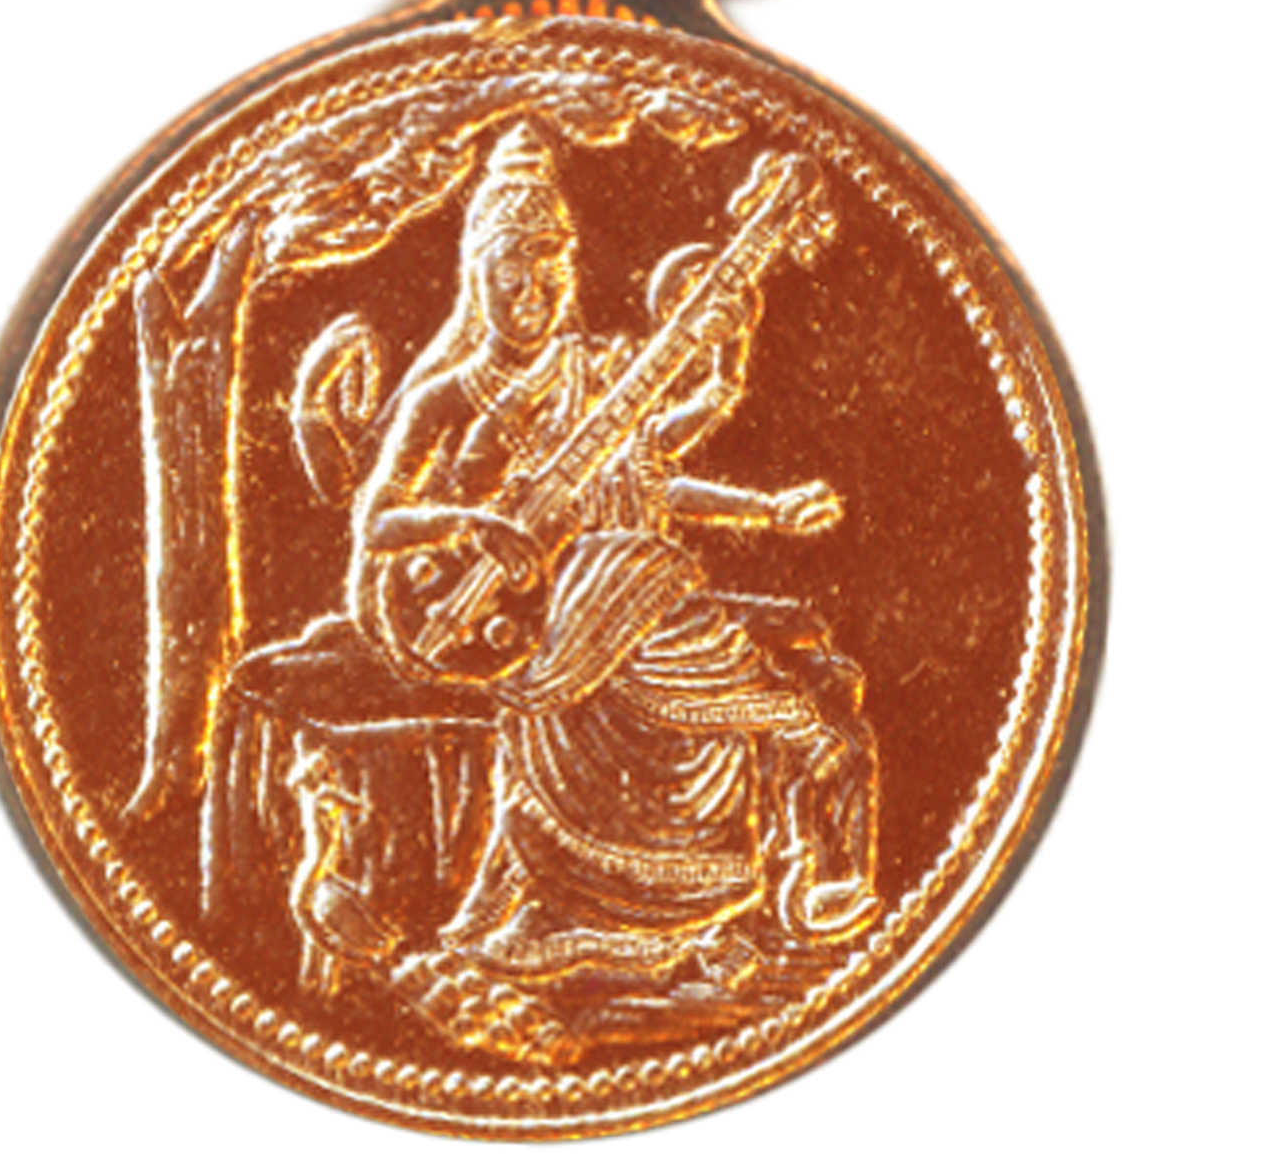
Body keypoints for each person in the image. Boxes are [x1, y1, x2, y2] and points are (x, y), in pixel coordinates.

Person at [202, 120, 878, 1054]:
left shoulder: (595, 375)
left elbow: (649, 474)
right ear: (476, 276)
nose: (533, 292)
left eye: (550, 270)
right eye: (512, 271)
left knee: (638, 568)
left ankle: (702, 911)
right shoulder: (448, 397)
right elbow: (379, 521)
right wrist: (471, 525)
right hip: (483, 617)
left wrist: (762, 499)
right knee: (637, 569)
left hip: (604, 604)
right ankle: (793, 734)